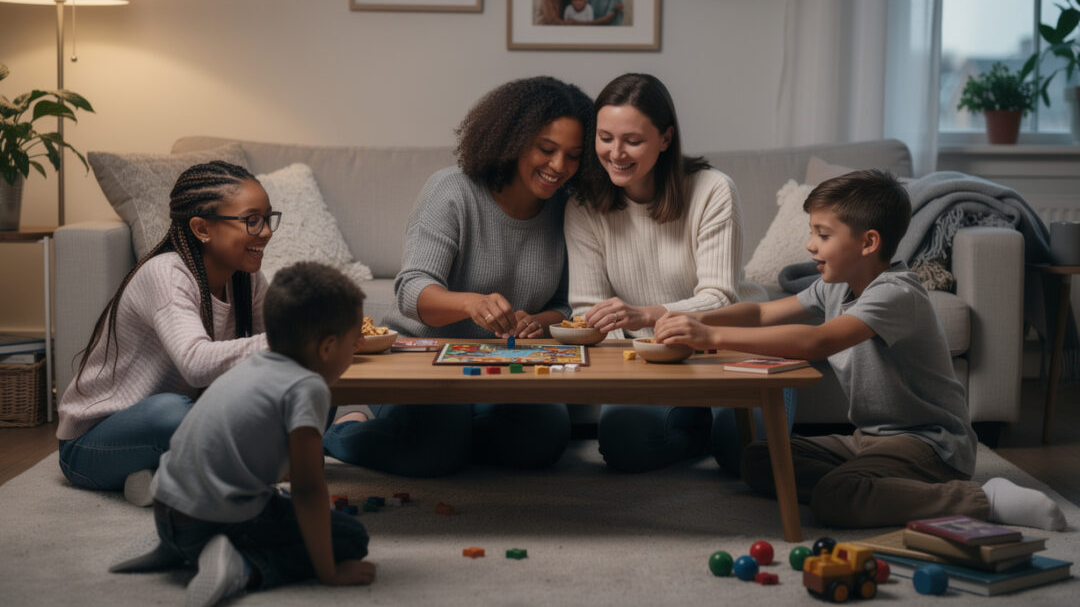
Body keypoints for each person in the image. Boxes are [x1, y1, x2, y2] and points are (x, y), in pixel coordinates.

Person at [653, 170, 1068, 531]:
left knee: (838, 498)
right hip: (869, 439)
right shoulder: (833, 285)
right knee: (760, 461)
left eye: (823, 234)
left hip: (931, 445)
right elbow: (762, 314)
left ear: (868, 242)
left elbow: (819, 340)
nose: (811, 246)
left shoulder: (896, 294)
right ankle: (885, 489)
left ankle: (981, 500)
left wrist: (711, 339)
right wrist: (682, 316)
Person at [323, 76, 594, 477]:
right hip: (423, 357)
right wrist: (471, 302)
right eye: (547, 149)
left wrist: (536, 322)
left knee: (544, 438)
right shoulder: (452, 190)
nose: (559, 167)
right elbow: (412, 291)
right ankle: (345, 431)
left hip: (503, 367)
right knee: (434, 450)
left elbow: (563, 306)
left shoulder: (567, 209)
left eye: (573, 156)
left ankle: (448, 436)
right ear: (515, 138)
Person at [565, 73, 769, 474]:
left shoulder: (713, 189)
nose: (616, 153)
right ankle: (695, 424)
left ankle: (713, 426)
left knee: (746, 455)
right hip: (648, 358)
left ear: (666, 138)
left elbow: (719, 297)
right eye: (605, 138)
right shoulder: (584, 205)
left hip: (731, 343)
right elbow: (588, 308)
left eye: (633, 140)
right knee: (625, 444)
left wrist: (645, 314)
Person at [150, 262, 375, 606]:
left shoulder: (251, 363)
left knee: (273, 505)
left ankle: (175, 548)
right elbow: (307, 487)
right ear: (327, 347)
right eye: (354, 338)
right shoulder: (307, 386)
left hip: (166, 510)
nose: (358, 344)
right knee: (350, 539)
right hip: (205, 523)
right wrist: (328, 573)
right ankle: (243, 566)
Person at [56, 161, 277, 504]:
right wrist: (292, 340)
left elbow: (276, 362)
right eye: (252, 220)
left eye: (268, 218)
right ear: (202, 228)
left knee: (309, 385)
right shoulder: (167, 274)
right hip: (93, 443)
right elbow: (196, 363)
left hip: (185, 425)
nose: (265, 232)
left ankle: (165, 478)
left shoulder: (246, 279)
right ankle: (197, 474)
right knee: (169, 411)